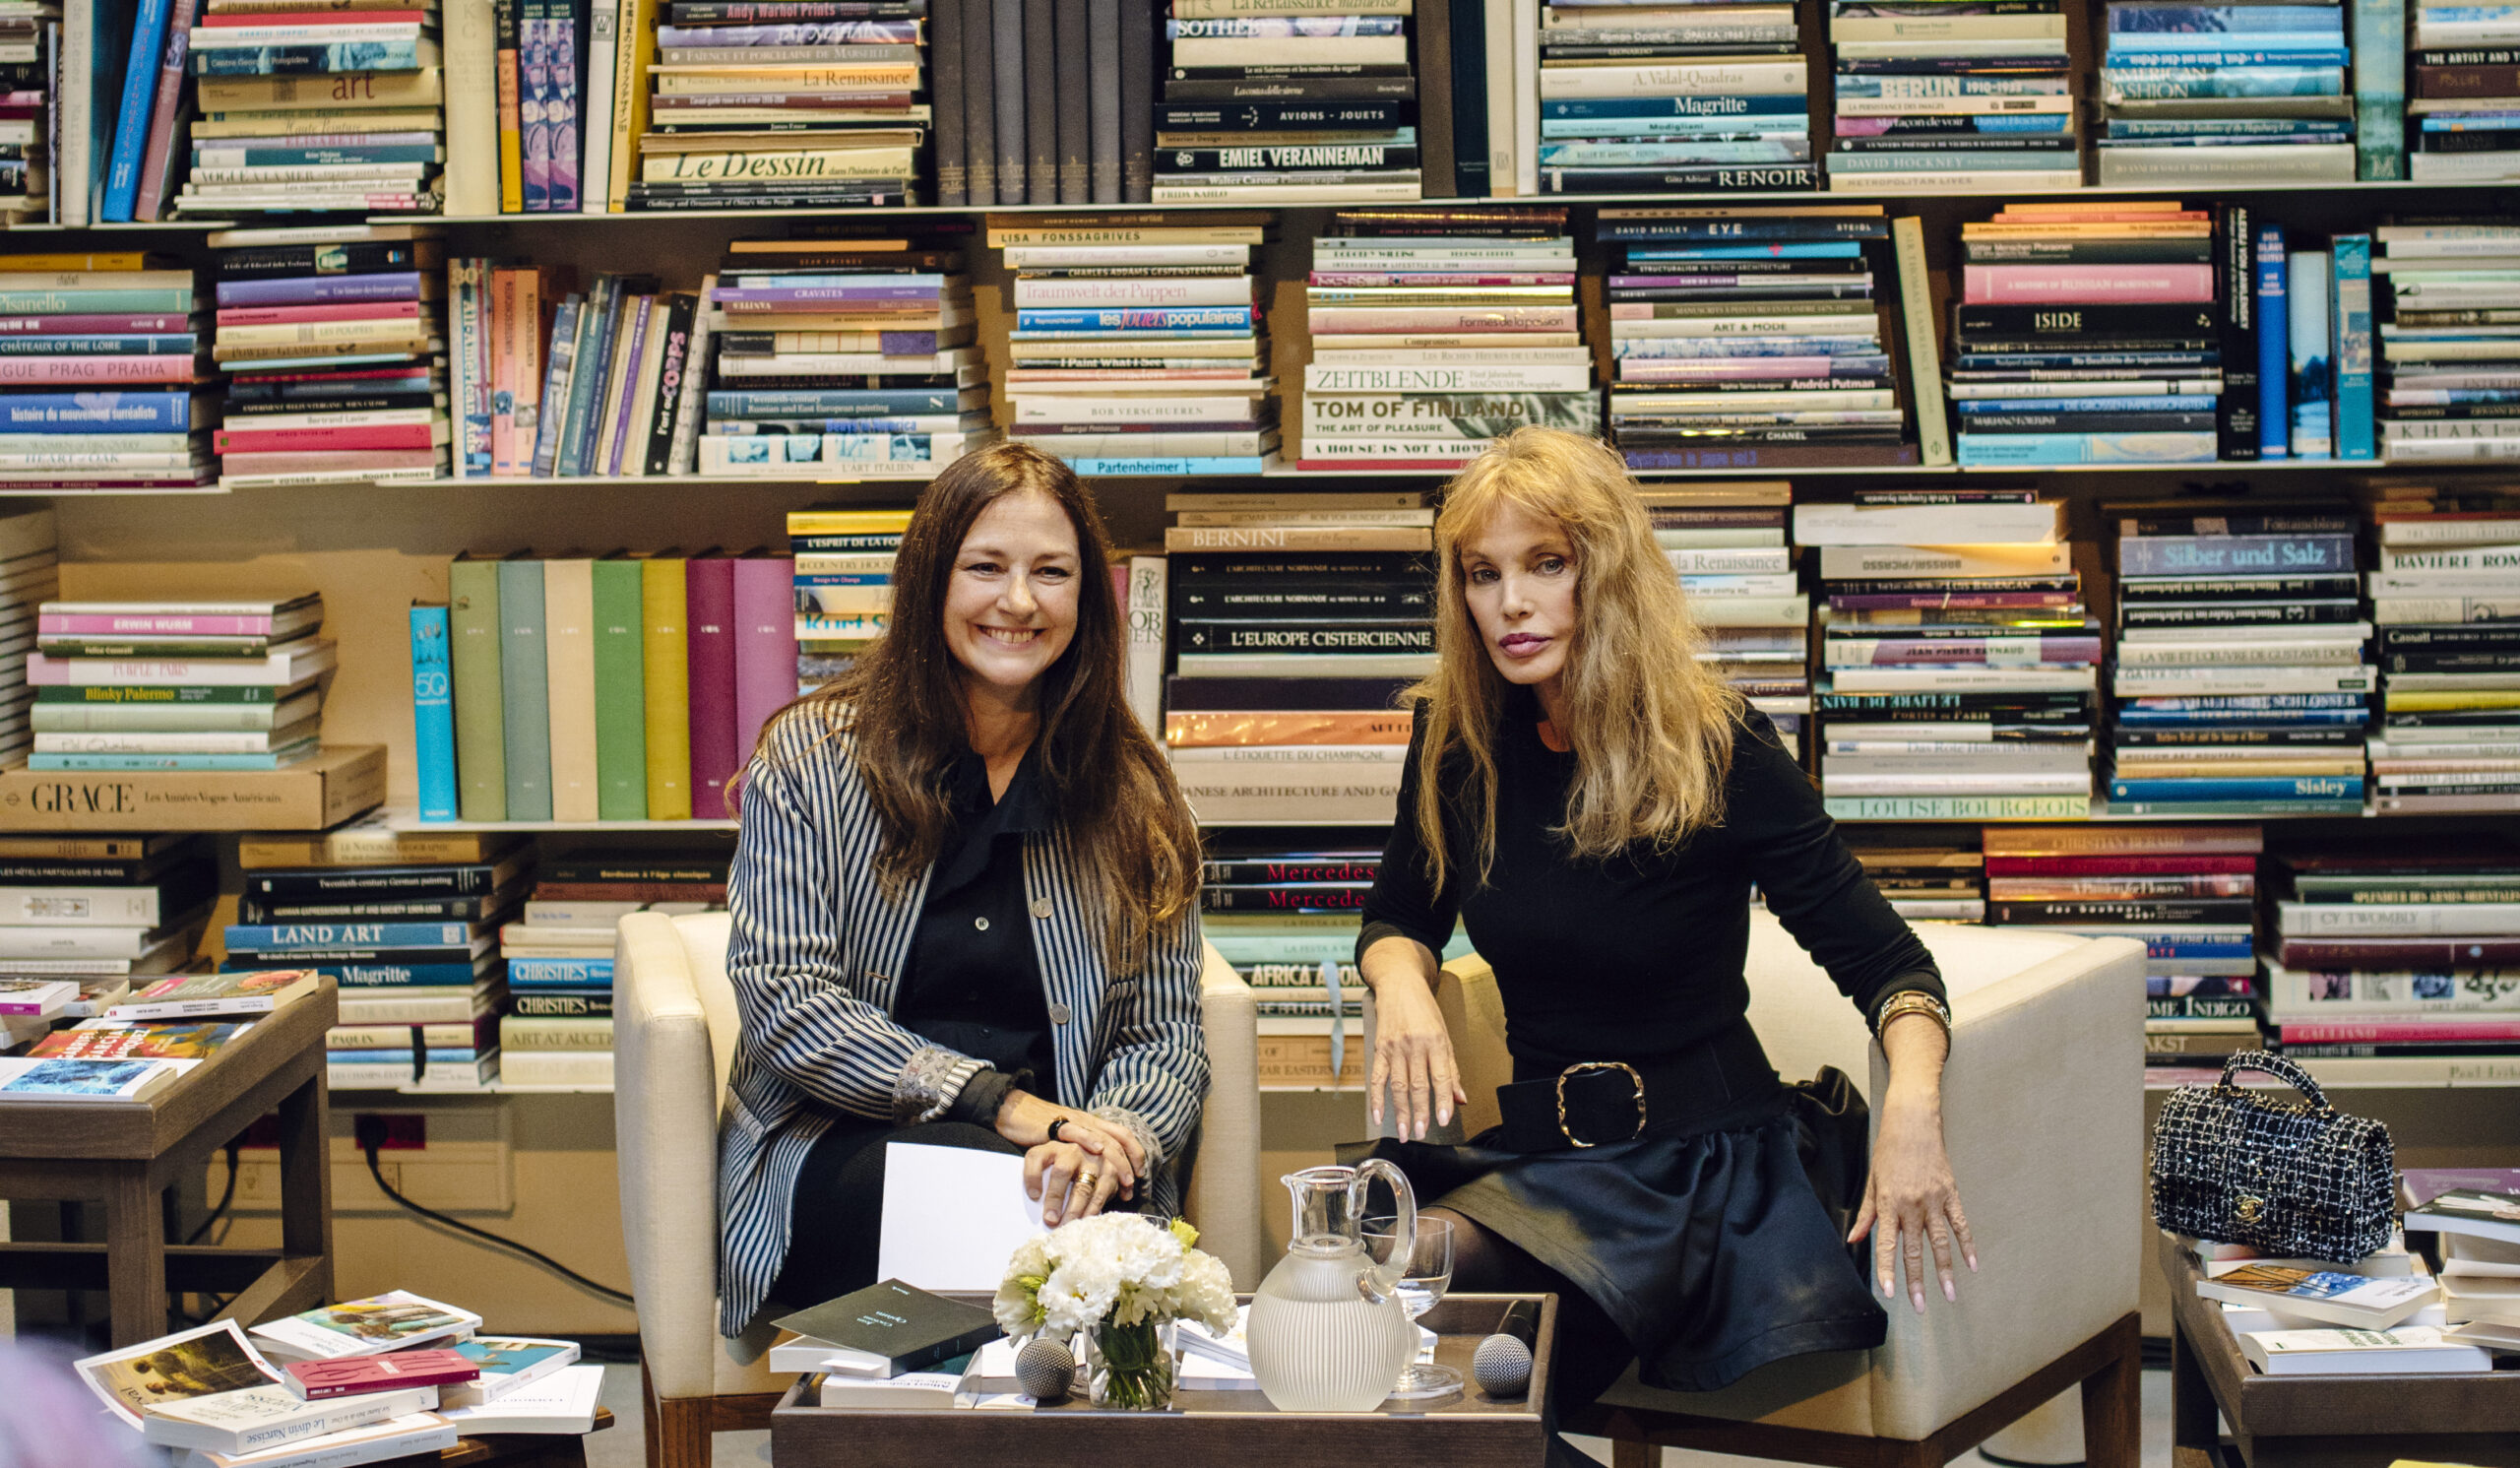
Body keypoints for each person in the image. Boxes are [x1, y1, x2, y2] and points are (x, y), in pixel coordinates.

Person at [1353, 427, 1975, 1411]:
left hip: (1699, 1173)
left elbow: (1893, 968)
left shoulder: (1714, 744)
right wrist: (1402, 984)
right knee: (1358, 1274)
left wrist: (1912, 1111)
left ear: (1605, 572)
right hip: (1546, 1161)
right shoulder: (1457, 738)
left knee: (1408, 1314)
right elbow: (1398, 913)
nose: (1510, 602)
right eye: (1483, 573)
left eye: (1545, 564)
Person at [715, 443, 1211, 1337]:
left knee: (1068, 1234)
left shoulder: (1134, 790)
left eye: (1050, 573)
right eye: (985, 567)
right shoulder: (810, 758)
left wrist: (1112, 1140)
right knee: (1028, 1241)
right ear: (930, 581)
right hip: (842, 1146)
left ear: (1084, 600)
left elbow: (1165, 1031)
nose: (1018, 601)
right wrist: (1003, 1106)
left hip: (1064, 1170)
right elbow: (786, 1003)